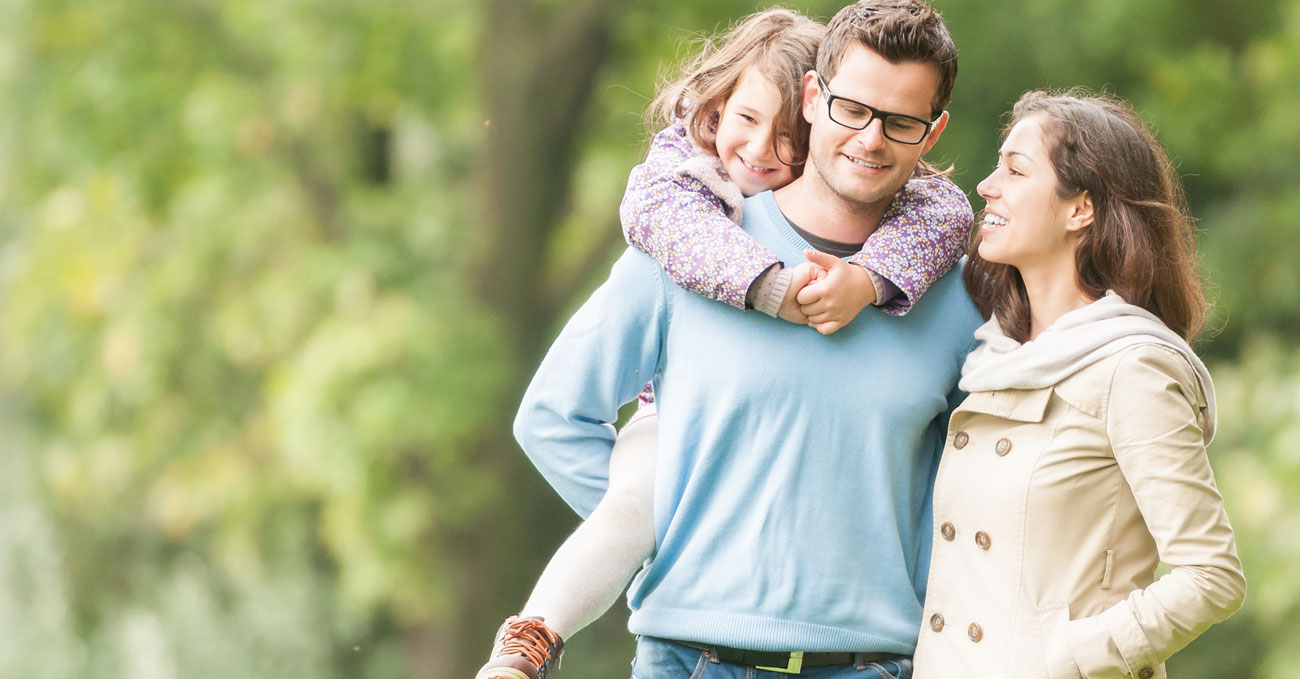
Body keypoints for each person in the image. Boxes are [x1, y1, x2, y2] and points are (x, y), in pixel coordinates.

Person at [475, 6, 974, 679]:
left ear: (933, 130)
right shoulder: (690, 247)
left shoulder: (958, 292)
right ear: (813, 97)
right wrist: (663, 535)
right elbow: (553, 417)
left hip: (873, 664)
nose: (871, 138)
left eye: (901, 121)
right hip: (688, 659)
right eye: (852, 109)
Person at [913, 90, 1246, 678]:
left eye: (1016, 171)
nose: (987, 185)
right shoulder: (996, 356)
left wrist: (1074, 655)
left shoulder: (1131, 367)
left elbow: (1212, 576)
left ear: (1080, 210)